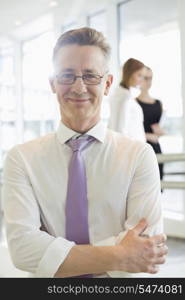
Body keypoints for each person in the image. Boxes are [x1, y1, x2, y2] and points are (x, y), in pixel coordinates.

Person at [2, 28, 167, 278]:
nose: (79, 87)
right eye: (67, 75)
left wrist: (52, 254)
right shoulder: (21, 159)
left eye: (90, 76)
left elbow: (146, 246)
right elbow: (23, 249)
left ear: (108, 83)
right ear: (52, 83)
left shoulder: (139, 156)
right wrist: (123, 254)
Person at [136, 66, 165, 180]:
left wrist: (159, 132)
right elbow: (129, 131)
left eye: (150, 78)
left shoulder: (158, 104)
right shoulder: (133, 103)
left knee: (158, 186)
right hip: (140, 148)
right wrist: (147, 135)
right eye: (145, 78)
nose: (148, 81)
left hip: (156, 148)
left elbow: (157, 127)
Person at [108, 58, 146, 141]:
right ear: (130, 73)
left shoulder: (122, 95)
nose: (141, 80)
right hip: (130, 148)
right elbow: (120, 129)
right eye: (139, 75)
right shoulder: (125, 98)